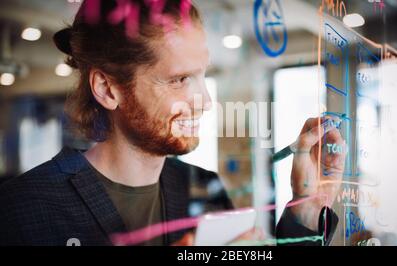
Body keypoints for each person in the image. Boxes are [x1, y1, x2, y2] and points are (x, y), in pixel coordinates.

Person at [0, 0, 345, 246]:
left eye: (202, 75)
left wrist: (305, 208)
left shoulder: (204, 190)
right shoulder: (22, 208)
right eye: (179, 79)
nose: (205, 102)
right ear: (107, 89)